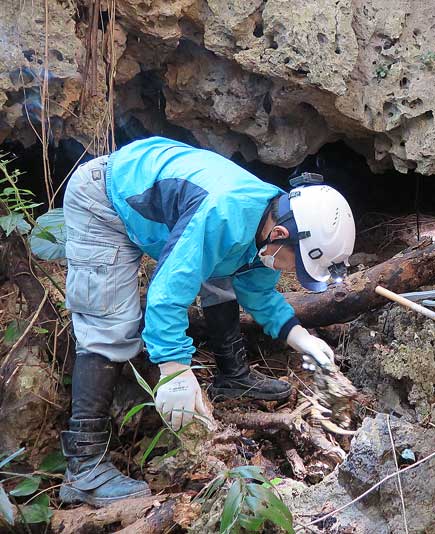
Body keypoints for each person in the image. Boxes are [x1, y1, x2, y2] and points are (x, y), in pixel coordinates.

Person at [59, 136, 355, 506]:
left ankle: (233, 376)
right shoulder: (226, 212)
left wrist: (302, 338)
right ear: (280, 235)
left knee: (224, 275)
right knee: (111, 327)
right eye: (298, 263)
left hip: (167, 209)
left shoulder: (275, 216)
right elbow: (168, 291)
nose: (294, 271)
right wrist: (174, 370)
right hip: (107, 199)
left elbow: (259, 293)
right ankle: (84, 467)